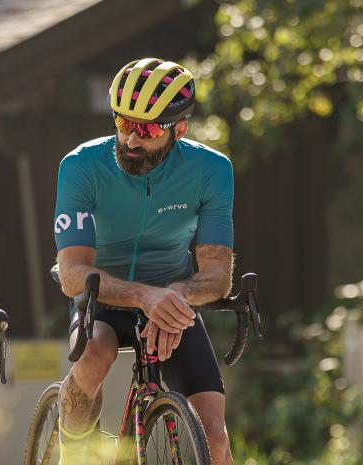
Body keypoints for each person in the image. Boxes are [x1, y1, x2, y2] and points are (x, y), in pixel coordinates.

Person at [51, 58, 237, 464]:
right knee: (93, 355)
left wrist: (174, 297)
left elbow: (218, 274)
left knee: (215, 439)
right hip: (100, 299)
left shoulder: (212, 170)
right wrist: (144, 297)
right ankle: (73, 449)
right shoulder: (81, 166)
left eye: (149, 129)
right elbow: (72, 274)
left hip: (173, 305)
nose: (131, 140)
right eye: (123, 123)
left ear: (179, 129)